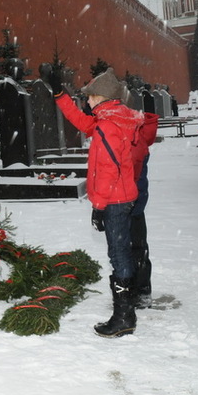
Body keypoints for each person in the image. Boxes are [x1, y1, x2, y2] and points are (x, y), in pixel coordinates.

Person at [49, 67, 143, 338]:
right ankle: (127, 309)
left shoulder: (107, 126)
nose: (87, 103)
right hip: (122, 195)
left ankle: (124, 315)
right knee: (122, 250)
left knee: (118, 253)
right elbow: (80, 121)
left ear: (100, 97)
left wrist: (99, 206)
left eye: (89, 98)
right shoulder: (112, 119)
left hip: (114, 199)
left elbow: (107, 169)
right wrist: (60, 95)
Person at [127, 88, 160, 309]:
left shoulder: (135, 142)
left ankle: (136, 289)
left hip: (129, 201)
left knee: (131, 247)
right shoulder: (137, 137)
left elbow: (132, 173)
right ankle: (138, 288)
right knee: (136, 246)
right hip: (134, 202)